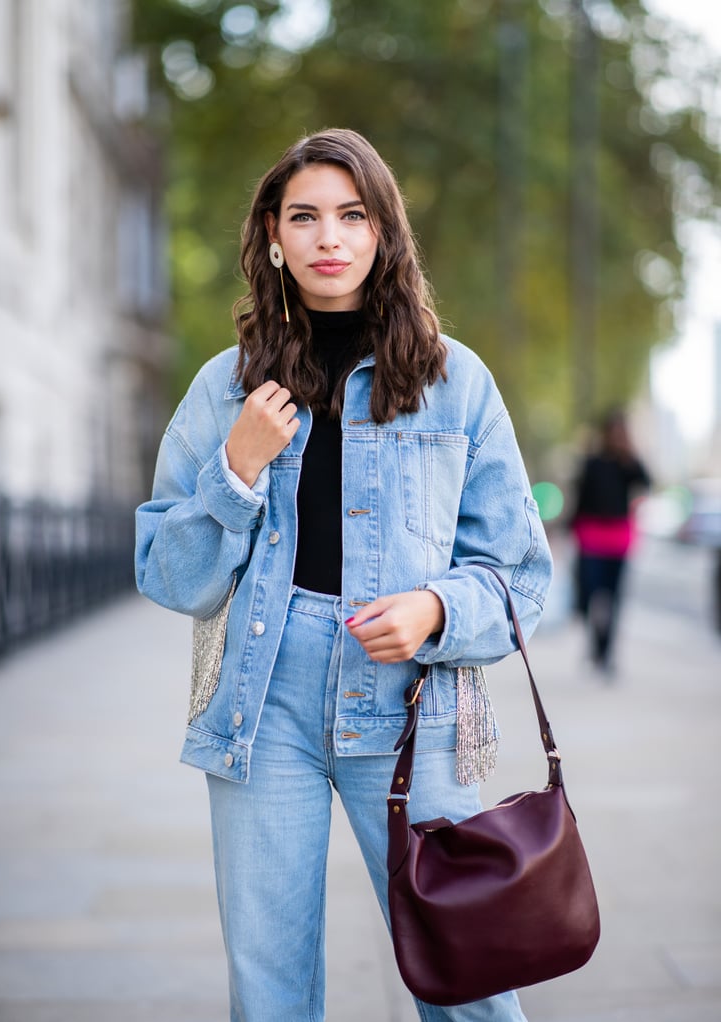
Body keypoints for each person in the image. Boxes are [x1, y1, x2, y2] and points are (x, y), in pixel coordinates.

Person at [135, 128, 553, 1022]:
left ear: (382, 234)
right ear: (274, 239)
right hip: (261, 697)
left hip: (410, 704)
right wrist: (236, 474)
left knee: (467, 977)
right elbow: (167, 573)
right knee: (270, 986)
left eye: (352, 215)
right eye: (306, 216)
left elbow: (520, 572)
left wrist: (438, 610)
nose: (330, 236)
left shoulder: (456, 383)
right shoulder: (223, 389)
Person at [570, 409, 651, 674]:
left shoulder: (628, 464)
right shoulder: (592, 463)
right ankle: (595, 647)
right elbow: (580, 498)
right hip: (591, 537)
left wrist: (630, 455)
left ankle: (606, 654)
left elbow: (647, 482)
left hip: (618, 539)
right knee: (591, 597)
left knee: (613, 600)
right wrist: (572, 529)